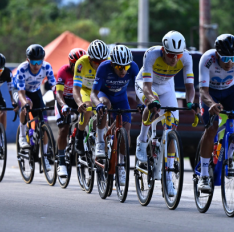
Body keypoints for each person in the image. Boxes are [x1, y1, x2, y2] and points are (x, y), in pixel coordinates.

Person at [135, 31, 198, 196]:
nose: (173, 59)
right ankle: (142, 140)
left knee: (171, 128)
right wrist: (152, 101)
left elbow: (190, 87)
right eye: (170, 55)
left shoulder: (186, 58)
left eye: (177, 56)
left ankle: (168, 177)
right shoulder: (151, 54)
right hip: (146, 83)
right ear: (163, 50)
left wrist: (190, 102)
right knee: (152, 104)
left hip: (166, 85)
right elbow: (147, 88)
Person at [91, 45, 139, 185]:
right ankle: (100, 142)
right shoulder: (104, 67)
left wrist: (141, 103)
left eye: (126, 67)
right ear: (112, 64)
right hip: (104, 95)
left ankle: (122, 166)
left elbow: (139, 90)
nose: (124, 71)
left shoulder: (134, 67)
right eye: (119, 68)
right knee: (105, 105)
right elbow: (94, 93)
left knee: (127, 128)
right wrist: (98, 104)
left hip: (121, 98)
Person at [198, 34, 234, 192]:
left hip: (229, 91)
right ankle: (204, 175)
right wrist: (211, 104)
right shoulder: (208, 59)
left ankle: (230, 156)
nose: (230, 63)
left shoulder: (231, 62)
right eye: (226, 59)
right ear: (217, 54)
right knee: (212, 127)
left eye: (233, 59)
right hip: (210, 93)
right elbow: (203, 91)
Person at [13, 44, 56, 170]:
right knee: (25, 106)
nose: (36, 65)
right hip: (21, 91)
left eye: (39, 62)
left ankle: (45, 157)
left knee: (44, 121)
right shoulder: (22, 69)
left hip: (35, 91)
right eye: (33, 62)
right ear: (28, 60)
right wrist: (25, 102)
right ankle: (22, 136)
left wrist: (59, 100)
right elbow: (21, 93)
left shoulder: (47, 66)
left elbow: (54, 87)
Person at [73, 39, 110, 156]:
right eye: (96, 62)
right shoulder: (81, 63)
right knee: (87, 107)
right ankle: (79, 135)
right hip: (85, 89)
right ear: (90, 59)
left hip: (99, 90)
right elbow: (76, 89)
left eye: (102, 61)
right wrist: (79, 103)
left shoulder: (108, 63)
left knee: (105, 106)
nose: (99, 65)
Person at [55, 48, 86, 177]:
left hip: (77, 99)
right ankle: (61, 162)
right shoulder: (63, 71)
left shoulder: (85, 71)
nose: (78, 67)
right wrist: (63, 106)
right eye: (75, 64)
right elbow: (58, 93)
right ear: (70, 63)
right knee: (64, 128)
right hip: (64, 100)